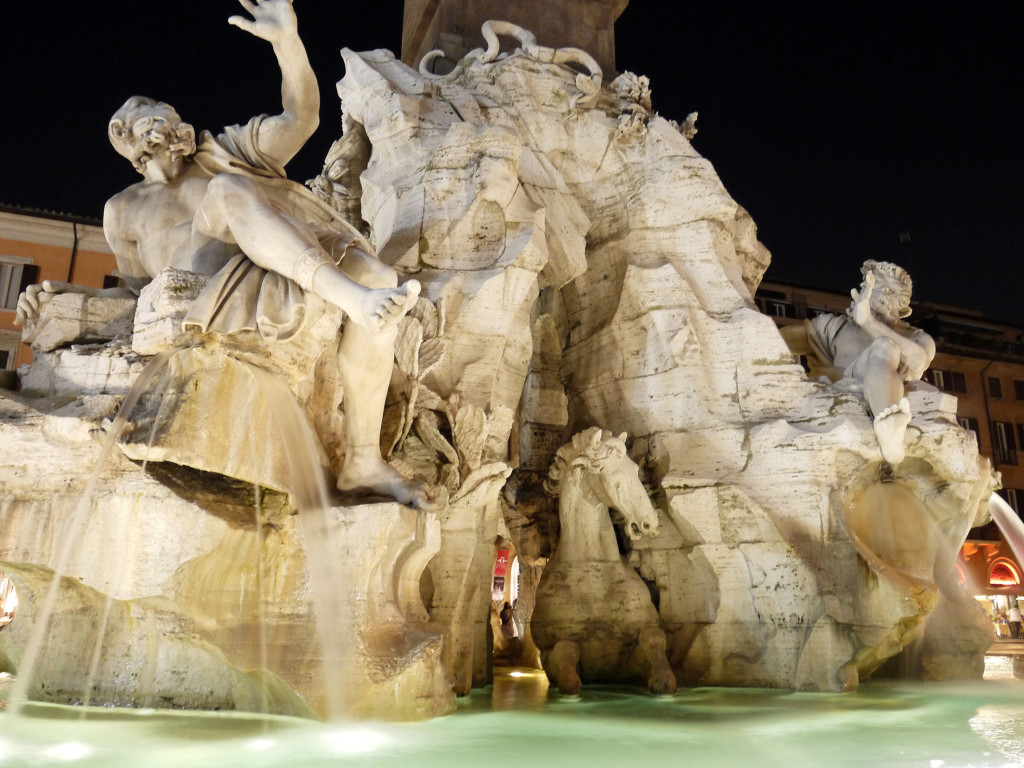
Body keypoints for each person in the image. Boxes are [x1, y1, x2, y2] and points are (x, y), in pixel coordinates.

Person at [16, 0, 430, 508]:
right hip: (202, 296)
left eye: (157, 114)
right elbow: (131, 293)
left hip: (267, 267)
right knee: (230, 191)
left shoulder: (224, 150)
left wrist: (287, 44)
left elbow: (301, 118)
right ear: (128, 147)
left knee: (378, 274)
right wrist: (62, 295)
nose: (151, 124)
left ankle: (363, 460)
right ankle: (353, 298)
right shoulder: (122, 209)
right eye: (136, 124)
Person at [781, 260, 936, 465]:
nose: (862, 291)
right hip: (839, 386)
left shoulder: (915, 337)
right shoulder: (835, 326)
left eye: (870, 287)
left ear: (891, 298)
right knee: (884, 346)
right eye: (865, 286)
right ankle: (888, 428)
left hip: (885, 385)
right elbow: (780, 338)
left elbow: (918, 362)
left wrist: (868, 323)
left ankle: (888, 429)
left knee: (885, 347)